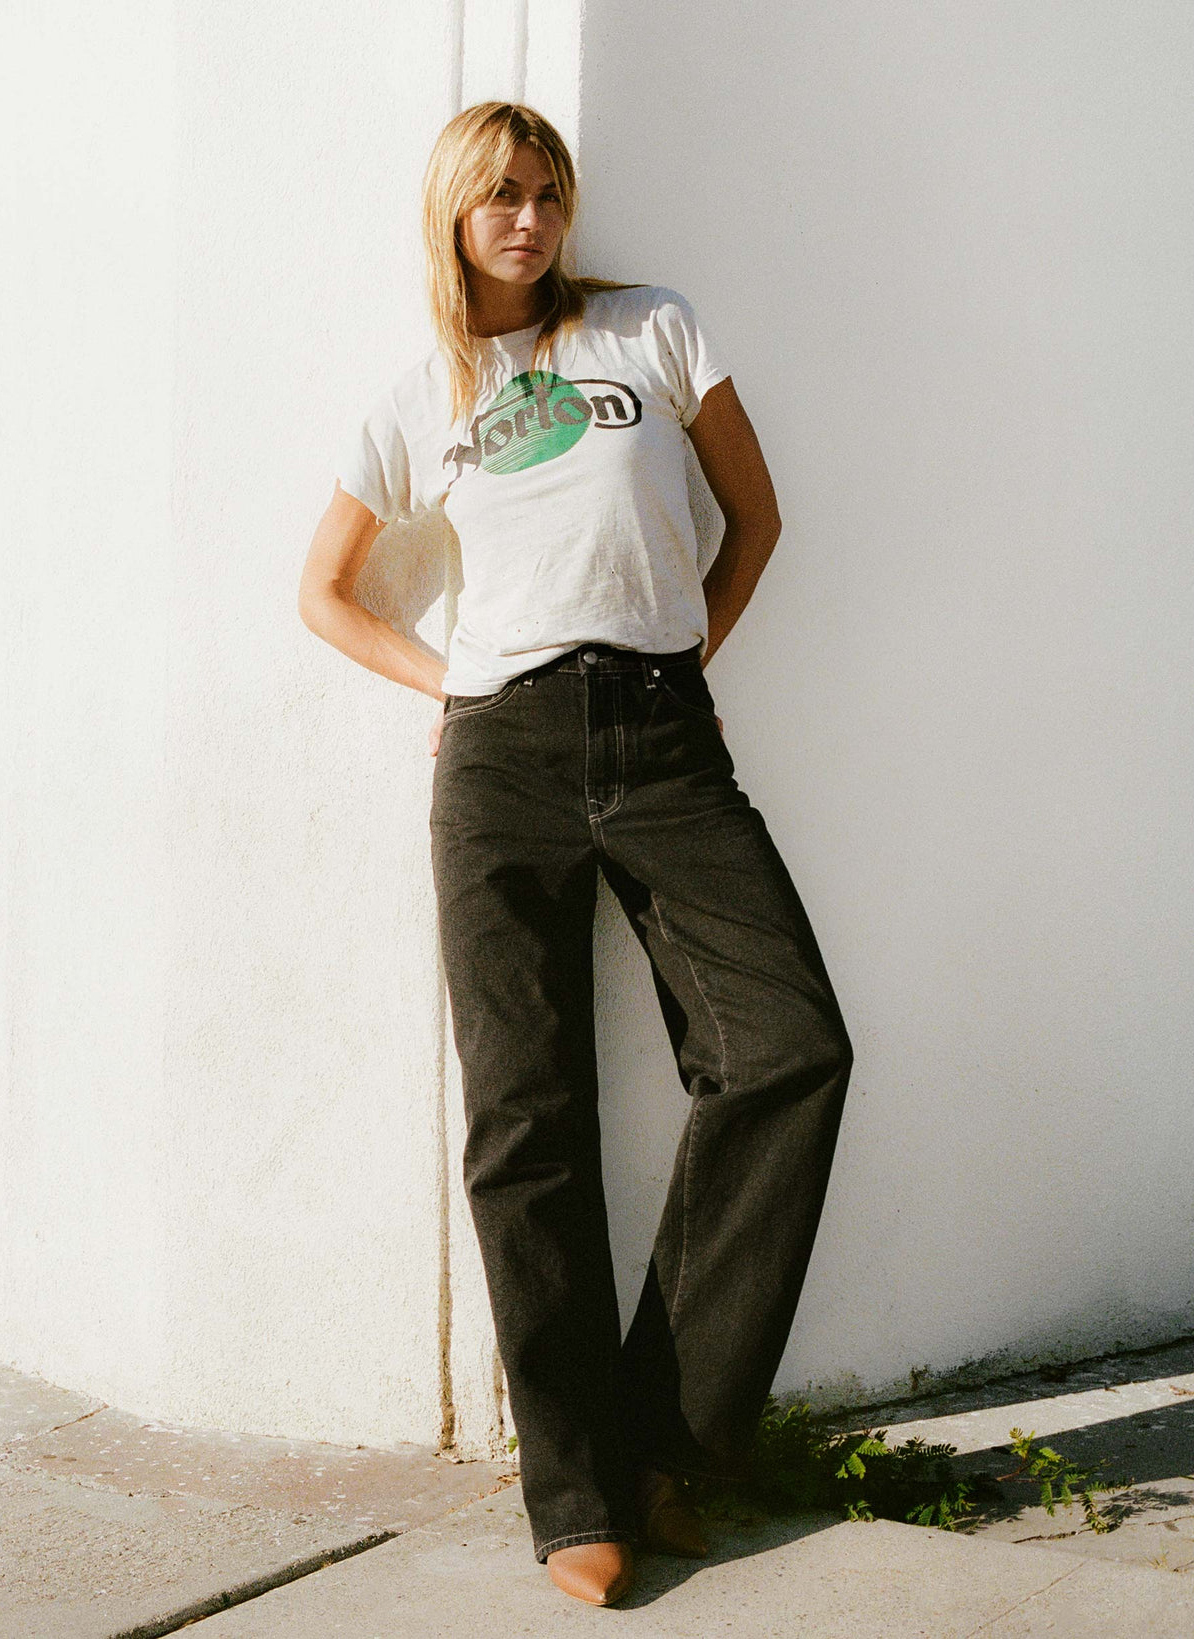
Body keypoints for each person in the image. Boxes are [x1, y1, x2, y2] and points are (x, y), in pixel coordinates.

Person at [298, 100, 853, 1609]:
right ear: (454, 213)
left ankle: (668, 1439)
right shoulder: (420, 398)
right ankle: (577, 1491)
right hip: (503, 758)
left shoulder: (652, 331)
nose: (530, 220)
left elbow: (755, 519)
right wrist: (452, 689)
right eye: (501, 197)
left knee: (788, 1049)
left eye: (548, 193)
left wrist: (683, 661)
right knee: (525, 1121)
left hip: (664, 739)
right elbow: (324, 592)